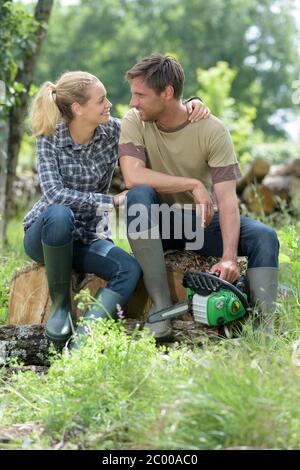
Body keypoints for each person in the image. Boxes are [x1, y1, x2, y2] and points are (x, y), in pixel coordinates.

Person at [23, 70, 208, 346]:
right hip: (47, 235)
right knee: (60, 214)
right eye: (101, 100)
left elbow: (154, 122)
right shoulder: (49, 136)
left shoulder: (112, 131)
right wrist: (111, 201)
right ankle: (61, 308)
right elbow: (55, 194)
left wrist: (191, 102)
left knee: (129, 269)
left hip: (89, 237)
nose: (109, 104)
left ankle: (86, 335)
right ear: (77, 108)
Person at [119, 54, 279, 340]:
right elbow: (132, 175)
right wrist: (192, 183)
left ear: (167, 92)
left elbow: (228, 200)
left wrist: (229, 257)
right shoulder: (135, 121)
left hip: (199, 223)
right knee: (138, 196)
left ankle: (263, 329)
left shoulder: (212, 130)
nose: (133, 102)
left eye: (140, 95)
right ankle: (161, 306)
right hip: (157, 224)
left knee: (264, 236)